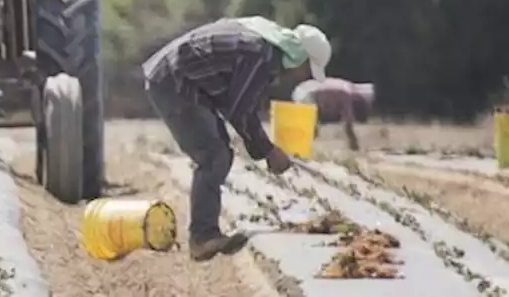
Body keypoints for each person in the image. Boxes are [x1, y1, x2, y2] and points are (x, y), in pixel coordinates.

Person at [143, 17, 332, 262]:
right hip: (174, 82)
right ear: (299, 57)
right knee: (213, 155)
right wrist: (268, 151)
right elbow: (240, 110)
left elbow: (236, 102)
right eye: (307, 69)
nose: (301, 76)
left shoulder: (262, 41)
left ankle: (205, 232)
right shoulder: (259, 55)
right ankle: (202, 237)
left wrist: (262, 147)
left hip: (185, 82)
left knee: (220, 151)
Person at [292, 78, 375, 150]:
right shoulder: (346, 94)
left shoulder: (346, 88)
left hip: (304, 90)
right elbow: (348, 120)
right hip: (305, 93)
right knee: (307, 127)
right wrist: (353, 141)